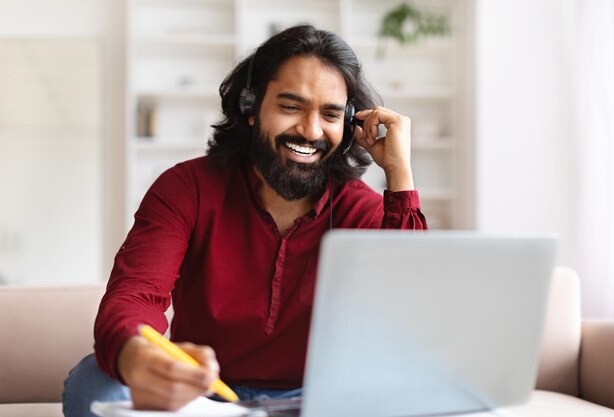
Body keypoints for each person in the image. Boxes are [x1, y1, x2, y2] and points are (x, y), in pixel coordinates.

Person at [62, 24, 427, 417]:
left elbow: (410, 319)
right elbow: (135, 294)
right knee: (93, 381)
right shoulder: (187, 188)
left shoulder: (362, 210)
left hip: (316, 399)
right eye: (291, 107)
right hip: (202, 395)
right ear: (251, 108)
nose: (311, 130)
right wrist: (136, 356)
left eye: (331, 114)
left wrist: (398, 171)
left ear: (349, 123)